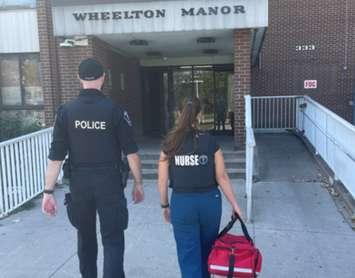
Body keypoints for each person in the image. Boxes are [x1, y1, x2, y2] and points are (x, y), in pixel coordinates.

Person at [41, 58, 144, 278]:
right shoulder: (115, 111)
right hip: (109, 183)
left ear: (79, 78)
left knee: (85, 237)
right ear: (103, 78)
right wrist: (138, 183)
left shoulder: (66, 112)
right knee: (113, 238)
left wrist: (48, 192)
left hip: (80, 184)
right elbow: (131, 152)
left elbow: (55, 156)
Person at [157, 98, 242, 278]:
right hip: (210, 203)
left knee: (188, 256)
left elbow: (162, 179)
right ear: (200, 115)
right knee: (207, 252)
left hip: (182, 204)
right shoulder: (211, 142)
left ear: (179, 114)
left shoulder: (169, 143)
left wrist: (164, 205)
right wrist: (235, 204)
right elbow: (222, 177)